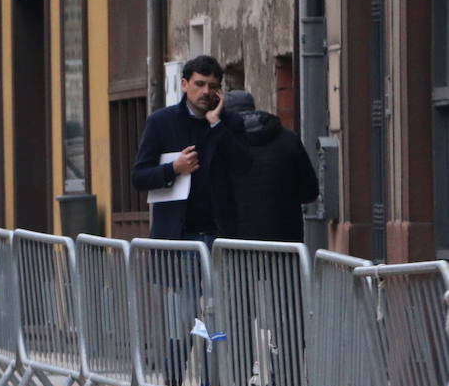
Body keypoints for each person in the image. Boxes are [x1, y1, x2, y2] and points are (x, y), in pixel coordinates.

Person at [131, 54, 253, 244]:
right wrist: (173, 168)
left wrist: (216, 125)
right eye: (199, 84)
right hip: (175, 236)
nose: (206, 91)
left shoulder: (230, 123)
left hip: (219, 234)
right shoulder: (161, 122)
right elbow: (139, 177)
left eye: (212, 86)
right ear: (184, 85)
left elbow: (244, 167)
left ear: (219, 91)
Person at [227, 91, 320, 242]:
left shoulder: (222, 144)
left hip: (237, 243)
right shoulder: (289, 140)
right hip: (285, 241)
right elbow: (310, 192)